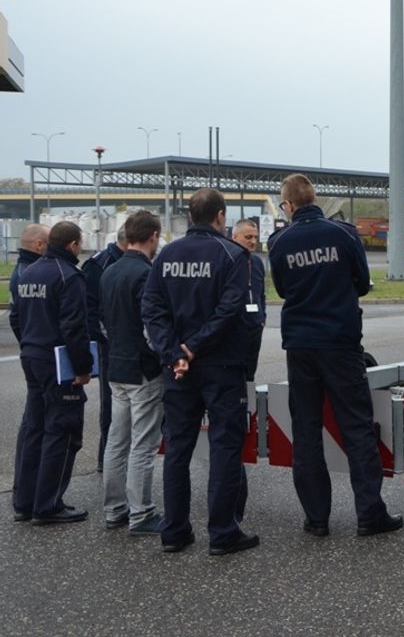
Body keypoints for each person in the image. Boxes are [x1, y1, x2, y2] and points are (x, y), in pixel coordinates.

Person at [268, 174, 402, 539]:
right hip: (341, 343)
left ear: (289, 206)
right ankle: (369, 515)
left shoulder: (279, 241)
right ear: (315, 200)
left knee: (306, 430)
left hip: (300, 346)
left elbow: (281, 288)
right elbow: (361, 283)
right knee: (356, 426)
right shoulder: (343, 234)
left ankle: (317, 519)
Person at [142, 188, 258, 555]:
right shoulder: (233, 254)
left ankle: (174, 531)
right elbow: (230, 309)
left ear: (191, 216)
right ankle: (223, 532)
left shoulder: (166, 255)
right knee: (225, 448)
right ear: (221, 216)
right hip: (221, 366)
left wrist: (174, 351)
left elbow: (152, 309)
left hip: (178, 369)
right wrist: (193, 346)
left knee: (177, 449)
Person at [9, 221, 92, 524]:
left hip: (32, 357)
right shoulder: (68, 276)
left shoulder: (28, 273)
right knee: (63, 431)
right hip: (58, 364)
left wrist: (30, 344)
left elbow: (16, 317)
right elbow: (75, 328)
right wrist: (82, 369)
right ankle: (48, 505)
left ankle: (25, 501)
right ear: (72, 244)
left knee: (35, 429)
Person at [100, 210, 165, 535]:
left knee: (117, 441)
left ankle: (114, 509)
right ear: (153, 236)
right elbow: (150, 326)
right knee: (143, 443)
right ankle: (141, 513)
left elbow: (104, 322)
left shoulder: (109, 271)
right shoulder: (146, 273)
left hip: (116, 365)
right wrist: (165, 356)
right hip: (142, 369)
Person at [8, 223, 48, 518]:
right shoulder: (31, 272)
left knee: (32, 425)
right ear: (38, 245)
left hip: (31, 353)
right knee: (37, 426)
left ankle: (25, 493)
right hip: (40, 355)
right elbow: (18, 318)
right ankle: (30, 496)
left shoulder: (22, 271)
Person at [83, 226, 126, 472]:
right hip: (110, 344)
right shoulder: (99, 264)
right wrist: (103, 338)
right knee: (112, 403)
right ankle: (106, 459)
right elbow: (89, 308)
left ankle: (120, 459)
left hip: (128, 342)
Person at [231, 218, 266, 384]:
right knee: (235, 375)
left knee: (250, 374)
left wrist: (262, 317)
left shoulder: (257, 262)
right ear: (235, 237)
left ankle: (249, 406)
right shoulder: (228, 261)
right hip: (236, 328)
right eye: (248, 237)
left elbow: (261, 294)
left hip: (255, 326)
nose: (253, 242)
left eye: (255, 237)